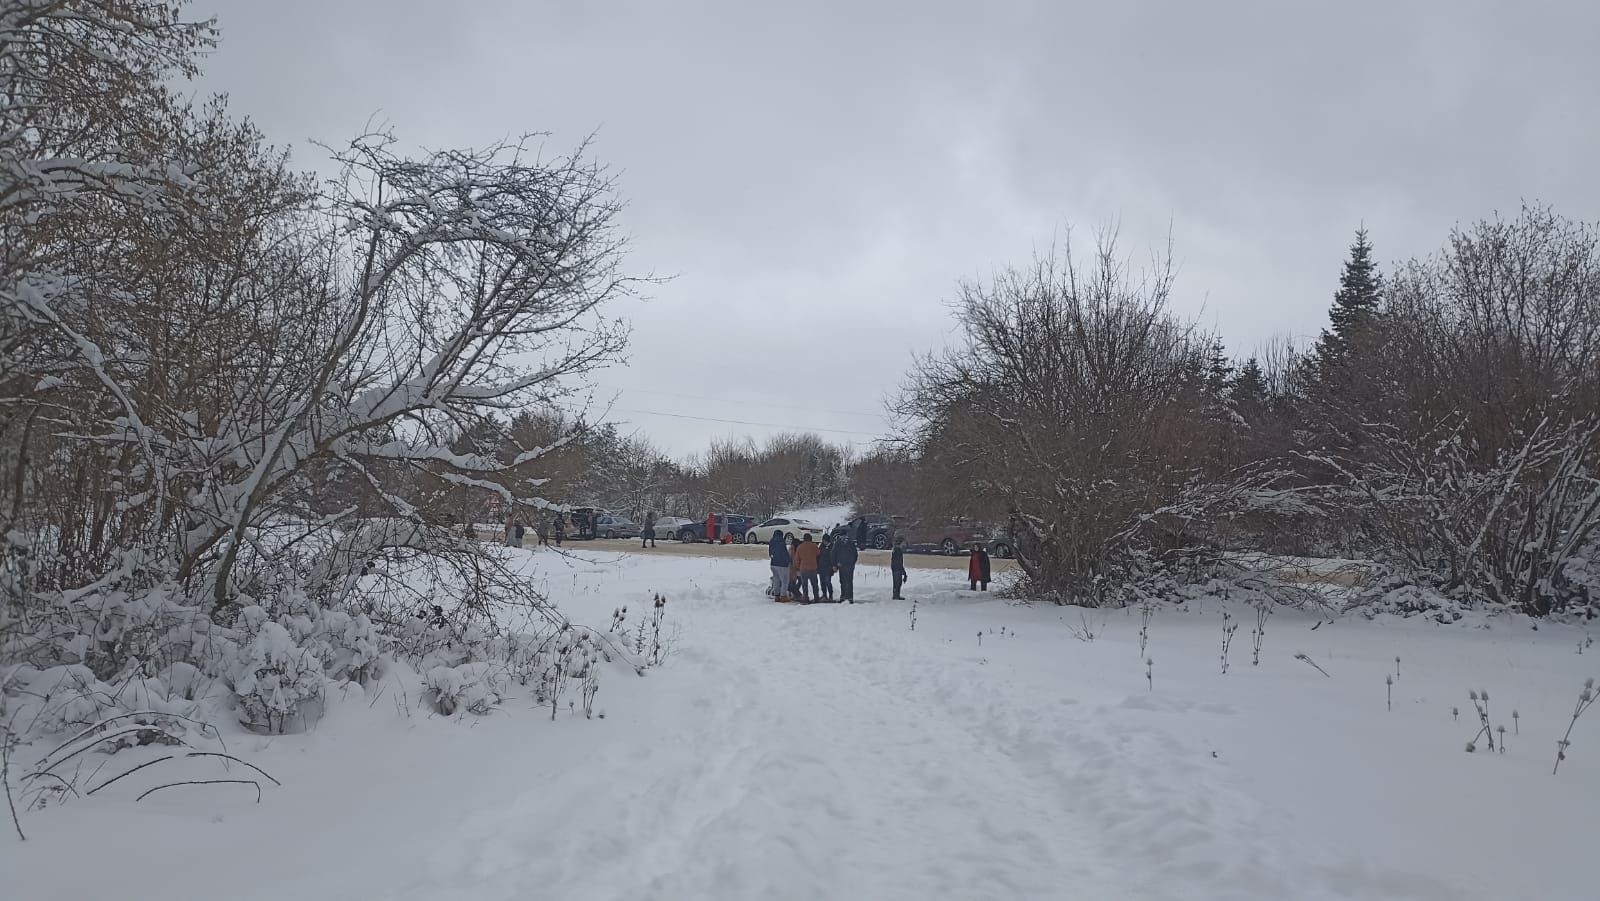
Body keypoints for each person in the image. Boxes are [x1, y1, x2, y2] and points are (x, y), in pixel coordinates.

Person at [793, 532, 821, 602]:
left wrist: (798, 567)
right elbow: (818, 554)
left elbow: (796, 559)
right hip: (813, 568)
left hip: (803, 568)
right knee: (814, 584)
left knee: (804, 585)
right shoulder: (814, 546)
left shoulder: (800, 547)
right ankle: (816, 597)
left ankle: (806, 598)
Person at [833, 533, 858, 602]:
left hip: (842, 565)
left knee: (844, 581)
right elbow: (855, 554)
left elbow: (834, 553)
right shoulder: (851, 543)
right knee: (848, 581)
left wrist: (835, 564)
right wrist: (852, 563)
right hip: (848, 565)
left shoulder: (838, 543)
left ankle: (844, 596)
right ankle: (849, 597)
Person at [767, 530, 791, 600]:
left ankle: (777, 595)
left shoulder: (771, 542)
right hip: (782, 564)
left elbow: (770, 553)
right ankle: (783, 596)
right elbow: (784, 553)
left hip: (773, 563)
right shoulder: (781, 542)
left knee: (776, 579)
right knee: (785, 580)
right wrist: (788, 560)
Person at [817, 534, 836, 602]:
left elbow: (834, 557)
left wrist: (834, 566)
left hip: (829, 568)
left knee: (827, 581)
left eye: (825, 541)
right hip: (821, 567)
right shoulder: (821, 546)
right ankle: (824, 594)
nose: (824, 542)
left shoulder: (832, 547)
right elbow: (818, 555)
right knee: (822, 582)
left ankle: (830, 595)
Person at [891, 536, 908, 600]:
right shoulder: (898, 551)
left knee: (897, 582)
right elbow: (899, 562)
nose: (905, 544)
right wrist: (902, 571)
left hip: (895, 568)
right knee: (897, 582)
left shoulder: (896, 550)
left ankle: (896, 595)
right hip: (897, 568)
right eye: (904, 543)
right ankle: (896, 595)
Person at [787, 536, 802, 600]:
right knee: (796, 581)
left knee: (794, 582)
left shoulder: (791, 549)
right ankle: (797, 594)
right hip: (794, 569)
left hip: (793, 569)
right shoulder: (793, 550)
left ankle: (795, 593)